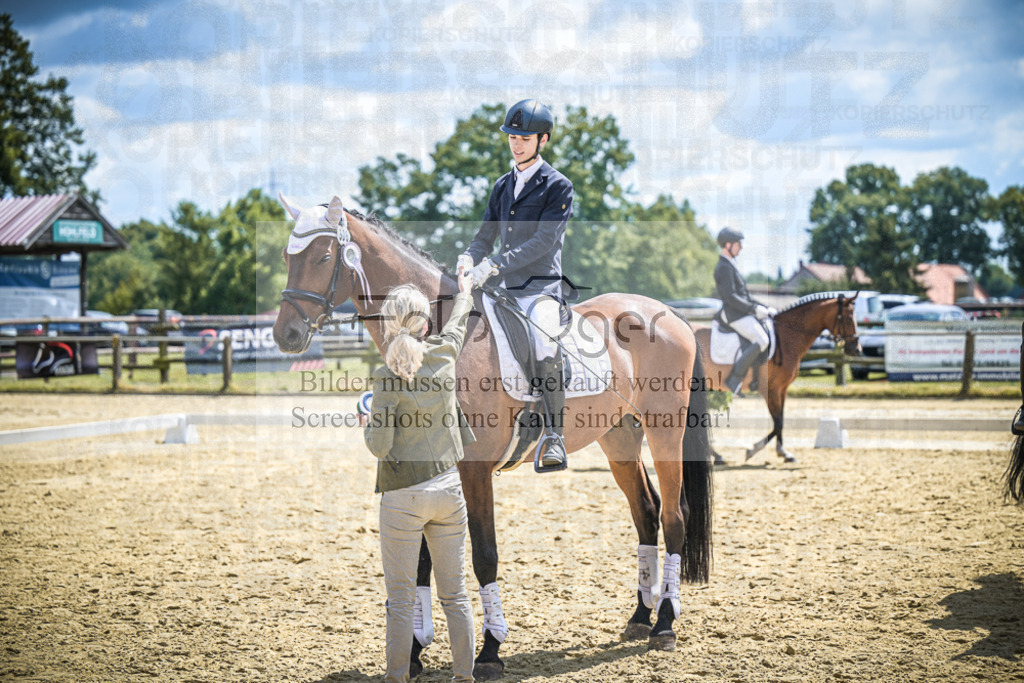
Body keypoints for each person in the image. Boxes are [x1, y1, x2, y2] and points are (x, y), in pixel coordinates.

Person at [363, 269, 477, 683]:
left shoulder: (385, 378)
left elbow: (378, 446)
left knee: (400, 600)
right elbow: (459, 321)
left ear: (390, 325)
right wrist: (464, 291)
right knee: (456, 595)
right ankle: (463, 677)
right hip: (448, 491)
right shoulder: (444, 353)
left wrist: (368, 421)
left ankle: (397, 677)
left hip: (403, 497)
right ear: (426, 324)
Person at [457, 98, 574, 472]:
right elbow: (484, 236)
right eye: (512, 137)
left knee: (544, 341)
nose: (517, 144)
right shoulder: (502, 185)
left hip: (540, 288)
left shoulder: (558, 186)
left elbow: (543, 242)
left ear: (543, 140)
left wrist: (494, 265)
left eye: (524, 138)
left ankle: (554, 437)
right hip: (503, 289)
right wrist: (469, 258)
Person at [714, 227, 776, 394]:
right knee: (762, 340)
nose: (741, 248)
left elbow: (745, 295)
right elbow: (731, 297)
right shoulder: (724, 267)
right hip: (733, 314)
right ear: (728, 245)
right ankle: (734, 379)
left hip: (739, 312)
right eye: (738, 244)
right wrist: (753, 309)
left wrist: (764, 307)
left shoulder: (730, 265)